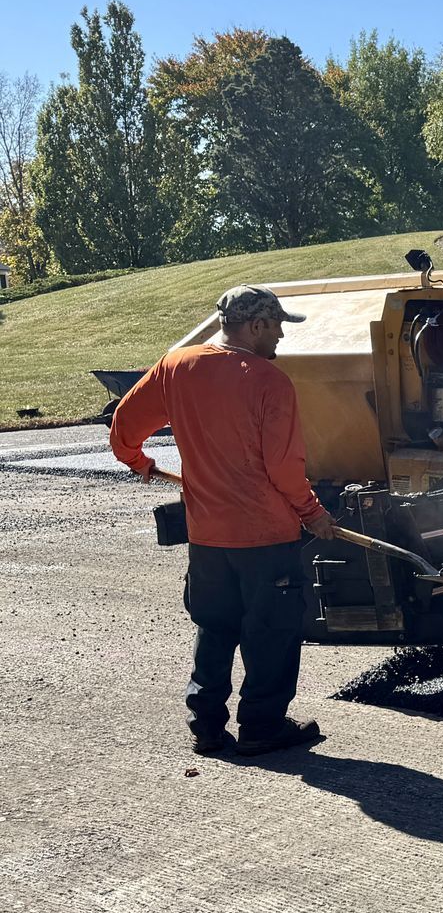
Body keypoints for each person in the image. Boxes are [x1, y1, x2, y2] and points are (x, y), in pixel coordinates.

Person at [109, 284, 339, 758]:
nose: (279, 336)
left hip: (207, 537)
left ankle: (207, 728)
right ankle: (261, 726)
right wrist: (313, 514)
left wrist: (138, 461)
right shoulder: (269, 382)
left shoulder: (176, 366)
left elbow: (124, 426)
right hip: (265, 537)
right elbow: (283, 468)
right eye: (275, 326)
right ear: (254, 325)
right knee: (270, 633)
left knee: (215, 628)